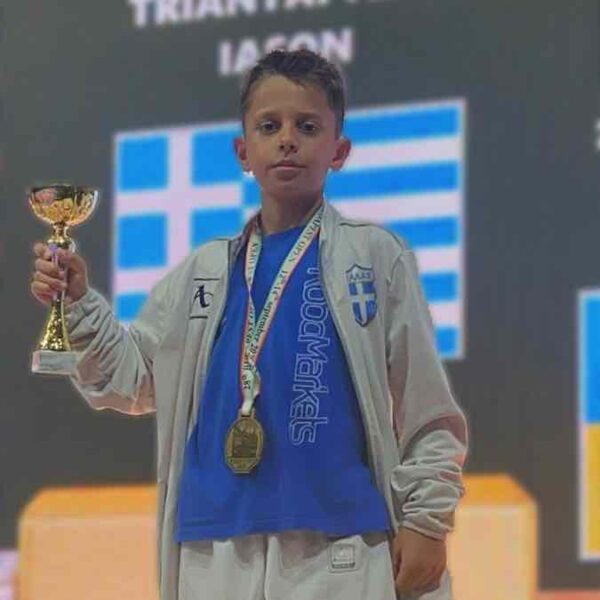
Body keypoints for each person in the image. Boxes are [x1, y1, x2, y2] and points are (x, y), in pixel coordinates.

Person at [31, 49, 467, 600]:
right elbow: (134, 377)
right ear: (243, 151)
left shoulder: (375, 258)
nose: (287, 140)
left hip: (340, 542)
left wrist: (427, 520)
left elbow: (428, 410)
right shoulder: (204, 273)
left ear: (339, 151)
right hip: (212, 546)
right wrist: (78, 303)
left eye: (307, 126)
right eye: (269, 126)